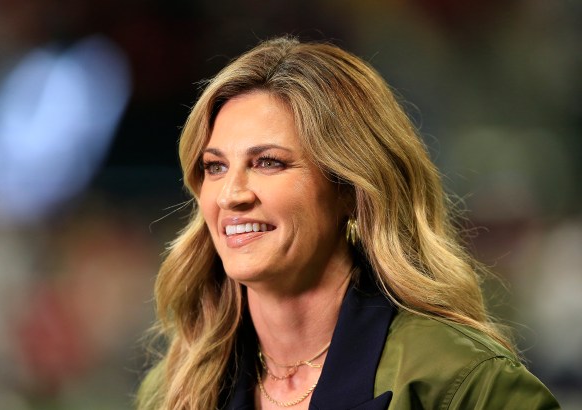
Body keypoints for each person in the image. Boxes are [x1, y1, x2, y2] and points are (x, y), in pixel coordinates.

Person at [137, 36, 560, 409]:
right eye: (215, 167)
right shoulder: (177, 390)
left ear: (349, 189)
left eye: (268, 163)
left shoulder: (463, 382)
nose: (231, 194)